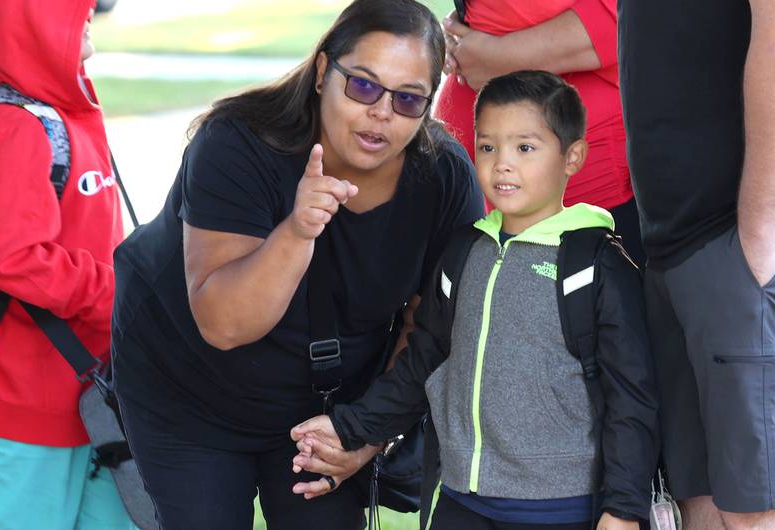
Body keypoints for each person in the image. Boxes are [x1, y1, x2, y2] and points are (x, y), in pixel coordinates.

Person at [109, 0, 484, 528]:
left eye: (407, 99)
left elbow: (434, 327)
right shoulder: (237, 142)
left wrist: (365, 433)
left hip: (326, 402)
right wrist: (297, 231)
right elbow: (225, 324)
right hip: (189, 389)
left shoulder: (442, 176)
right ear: (323, 71)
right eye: (364, 86)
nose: (382, 112)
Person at [292, 71, 659, 530]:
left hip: (562, 508)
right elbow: (423, 360)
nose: (502, 164)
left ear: (572, 157)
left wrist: (623, 509)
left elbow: (631, 397)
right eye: (488, 147)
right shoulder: (463, 251)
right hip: (462, 500)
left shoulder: (596, 265)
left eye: (525, 148)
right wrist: (351, 428)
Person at [0, 1, 136, 529]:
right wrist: (118, 296)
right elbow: (5, 253)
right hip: (24, 415)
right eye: (74, 5)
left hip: (95, 406)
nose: (89, 10)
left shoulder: (70, 113)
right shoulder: (13, 123)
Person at [619, 1, 775, 529]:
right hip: (669, 244)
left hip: (733, 241)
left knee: (753, 507)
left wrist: (761, 234)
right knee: (698, 495)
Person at [434, 0, 644, 266]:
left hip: (589, 206)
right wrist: (456, 33)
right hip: (471, 198)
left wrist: (502, 57)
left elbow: (631, 18)